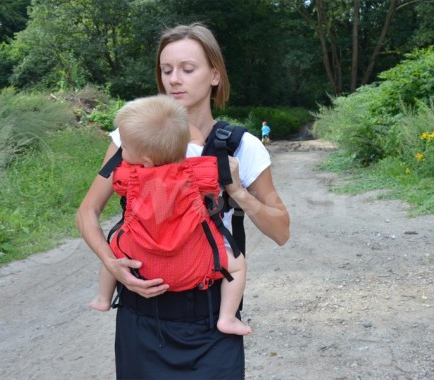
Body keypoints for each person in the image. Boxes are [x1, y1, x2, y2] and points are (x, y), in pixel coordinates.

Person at [76, 23, 290, 379]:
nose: (174, 79)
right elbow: (87, 212)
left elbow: (281, 231)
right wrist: (112, 264)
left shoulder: (240, 145)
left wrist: (236, 190)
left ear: (215, 75)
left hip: (211, 324)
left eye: (187, 69)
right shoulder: (129, 138)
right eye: (166, 70)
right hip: (141, 316)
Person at [88, 94, 252, 337]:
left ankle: (103, 298)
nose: (121, 151)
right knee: (237, 265)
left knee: (111, 251)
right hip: (192, 261)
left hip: (139, 259)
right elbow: (195, 138)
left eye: (125, 146)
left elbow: (116, 183)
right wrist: (175, 118)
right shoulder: (196, 167)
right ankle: (227, 318)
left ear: (144, 160)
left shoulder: (129, 176)